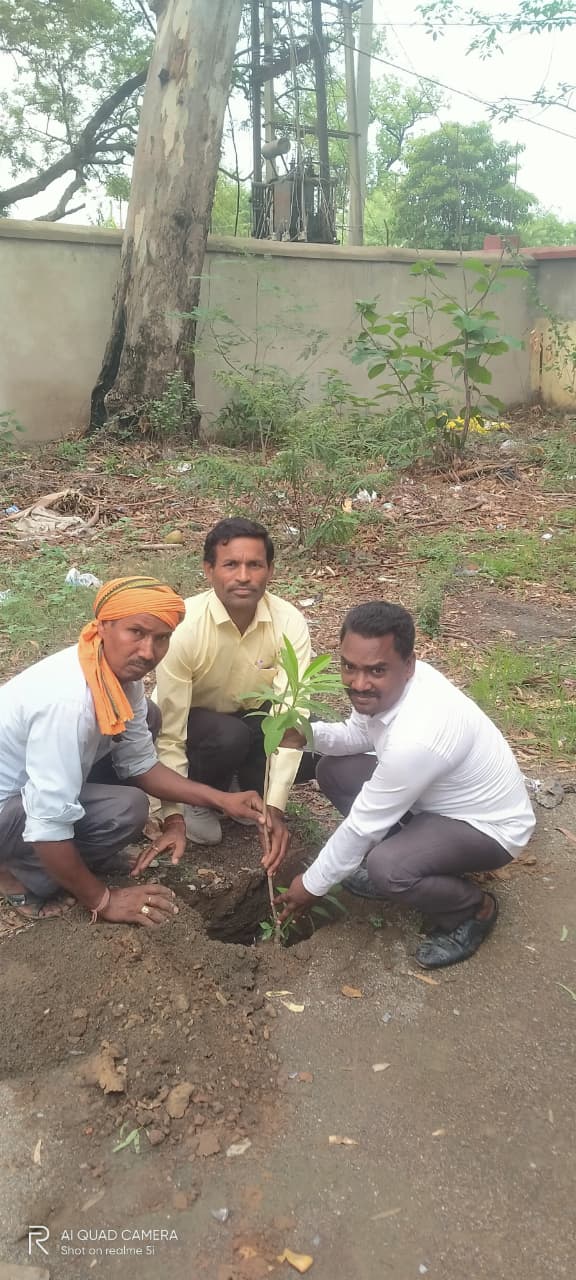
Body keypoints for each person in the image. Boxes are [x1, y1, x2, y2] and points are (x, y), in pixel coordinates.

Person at [277, 601, 536, 969]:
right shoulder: (392, 690)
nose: (359, 683)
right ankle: (419, 859)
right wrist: (305, 735)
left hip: (487, 827)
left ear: (409, 664)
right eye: (349, 667)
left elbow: (362, 826)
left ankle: (473, 910)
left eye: (376, 670)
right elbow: (358, 734)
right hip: (434, 804)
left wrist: (310, 886)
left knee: (388, 868)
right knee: (334, 770)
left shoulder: (419, 735)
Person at [0, 576, 267, 926]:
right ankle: (14, 875)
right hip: (12, 807)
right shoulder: (67, 704)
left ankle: (70, 857)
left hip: (32, 788)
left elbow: (140, 764)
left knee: (148, 723)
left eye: (161, 638)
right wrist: (104, 900)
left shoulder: (115, 677)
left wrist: (219, 800)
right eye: (136, 632)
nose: (147, 652)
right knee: (124, 810)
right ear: (104, 626)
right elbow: (46, 825)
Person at [153, 517, 312, 865]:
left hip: (252, 721)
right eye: (231, 565)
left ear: (270, 570)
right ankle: (199, 797)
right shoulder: (184, 628)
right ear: (209, 570)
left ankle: (241, 786)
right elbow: (170, 730)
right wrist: (172, 812)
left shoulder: (288, 622)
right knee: (227, 734)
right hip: (199, 728)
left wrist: (276, 808)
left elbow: (291, 713)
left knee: (312, 745)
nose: (243, 576)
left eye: (254, 565)